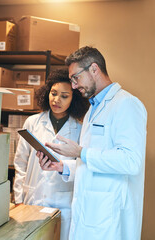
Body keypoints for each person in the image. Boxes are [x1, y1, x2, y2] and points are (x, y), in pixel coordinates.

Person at [37, 46, 147, 240]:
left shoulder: (126, 104)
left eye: (75, 78)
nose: (72, 86)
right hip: (90, 215)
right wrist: (63, 166)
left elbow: (131, 160)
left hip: (110, 219)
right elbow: (94, 161)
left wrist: (80, 152)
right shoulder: (92, 110)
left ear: (94, 69)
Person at [13, 68, 89, 240]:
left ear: (74, 98)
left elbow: (82, 167)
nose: (57, 100)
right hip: (33, 200)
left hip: (64, 204)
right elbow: (20, 163)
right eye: (53, 93)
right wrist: (18, 197)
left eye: (64, 96)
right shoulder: (32, 122)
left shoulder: (79, 129)